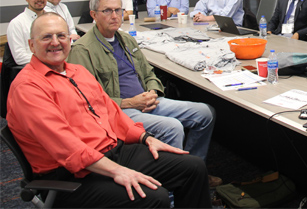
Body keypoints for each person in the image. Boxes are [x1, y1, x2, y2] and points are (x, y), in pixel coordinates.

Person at [7, 13, 211, 208]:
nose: (55, 42)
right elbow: (66, 147)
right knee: (154, 197)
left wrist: (145, 137)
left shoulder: (77, 71)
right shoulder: (28, 87)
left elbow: (111, 112)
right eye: (46, 37)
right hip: (70, 174)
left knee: (193, 167)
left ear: (69, 39)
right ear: (31, 45)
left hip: (109, 152)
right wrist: (117, 171)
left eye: (61, 35)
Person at [68, 0, 221, 187]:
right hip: (120, 111)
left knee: (205, 113)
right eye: (107, 11)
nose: (114, 16)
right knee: (172, 127)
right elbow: (89, 103)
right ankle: (173, 188)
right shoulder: (83, 50)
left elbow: (149, 73)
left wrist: (152, 91)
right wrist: (130, 102)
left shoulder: (126, 40)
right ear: (94, 15)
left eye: (118, 10)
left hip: (147, 102)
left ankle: (194, 170)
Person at [6, 0, 47, 65]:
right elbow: (20, 58)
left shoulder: (53, 20)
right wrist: (48, 58)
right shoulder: (17, 23)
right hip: (32, 71)